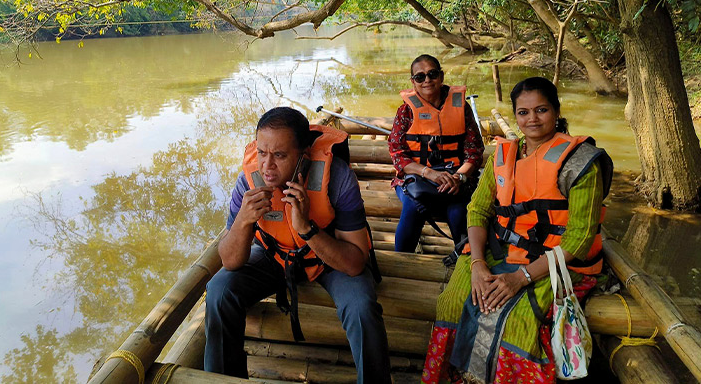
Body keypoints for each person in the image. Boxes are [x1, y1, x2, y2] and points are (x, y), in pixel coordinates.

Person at [422, 76, 613, 383]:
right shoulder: (502, 153)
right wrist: (477, 264)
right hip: (499, 251)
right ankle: (459, 377)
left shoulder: (580, 163)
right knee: (454, 300)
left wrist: (519, 278)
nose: (532, 119)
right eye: (523, 112)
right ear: (515, 116)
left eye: (541, 110)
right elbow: (478, 209)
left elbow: (578, 239)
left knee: (520, 319)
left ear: (556, 111)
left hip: (555, 262)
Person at [204, 107, 392, 383]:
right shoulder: (248, 181)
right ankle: (222, 379)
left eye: (279, 156)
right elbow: (231, 261)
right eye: (263, 152)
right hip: (274, 256)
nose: (267, 166)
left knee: (362, 306)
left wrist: (307, 229)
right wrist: (244, 221)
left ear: (302, 155)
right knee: (218, 290)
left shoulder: (337, 178)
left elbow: (354, 263)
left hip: (328, 258)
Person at [388, 54, 484, 252]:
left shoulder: (461, 107)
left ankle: (465, 260)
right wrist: (429, 173)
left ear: (441, 76)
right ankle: (402, 261)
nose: (427, 80)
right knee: (414, 208)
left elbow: (474, 151)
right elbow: (398, 154)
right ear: (413, 82)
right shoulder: (405, 111)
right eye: (420, 77)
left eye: (432, 74)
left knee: (459, 213)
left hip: (456, 179)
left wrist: (460, 177)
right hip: (416, 180)